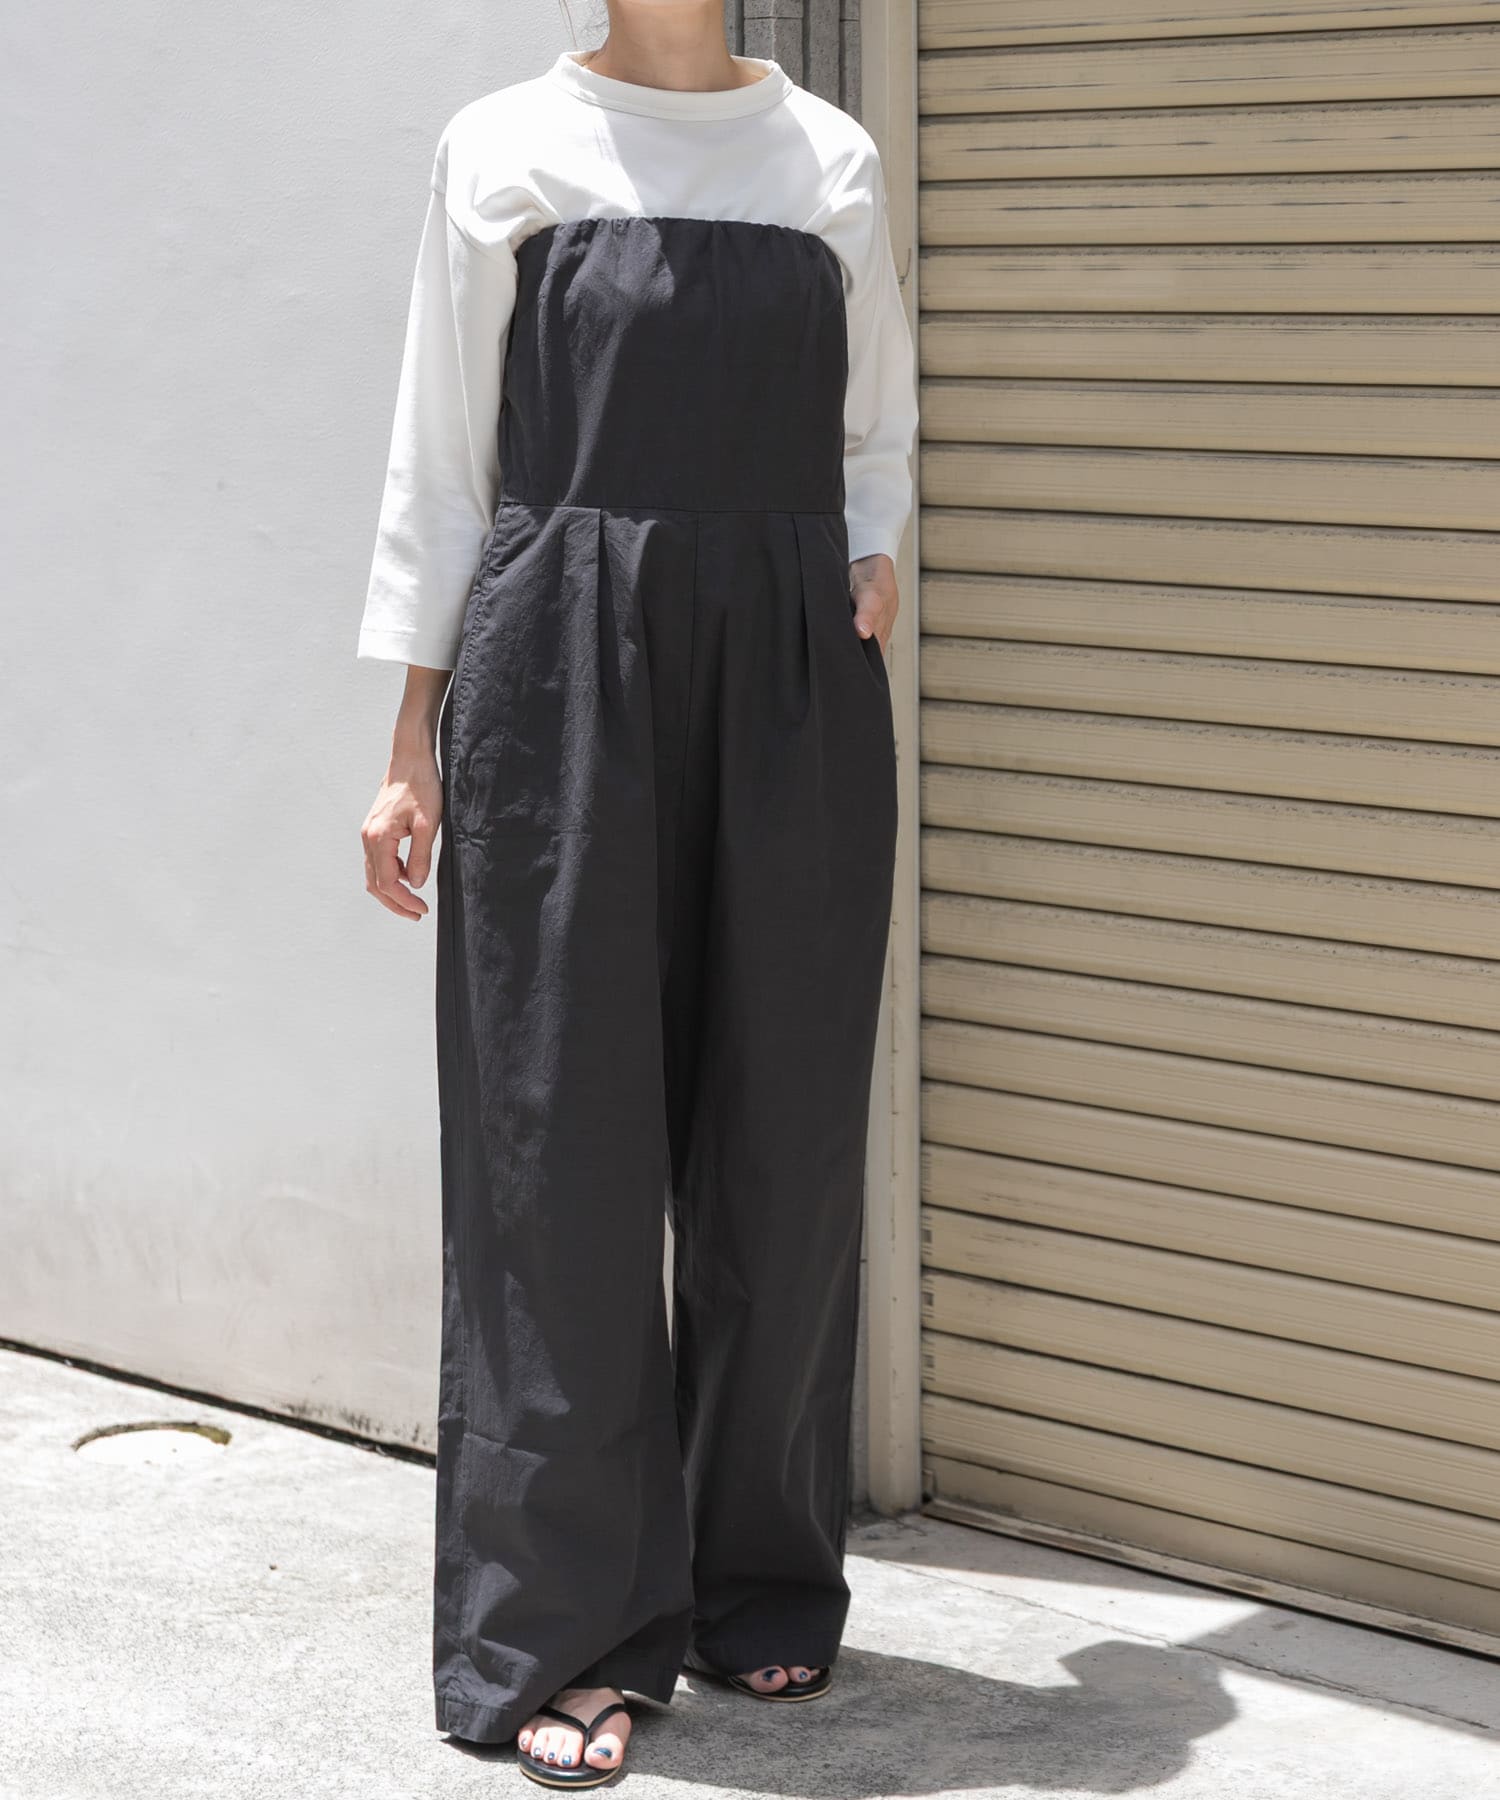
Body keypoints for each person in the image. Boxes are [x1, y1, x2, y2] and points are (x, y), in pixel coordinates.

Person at [357, 9, 918, 1787]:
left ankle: (759, 1578)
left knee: (785, 1141)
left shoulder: (829, 158)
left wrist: (871, 547)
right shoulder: (503, 147)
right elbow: (444, 457)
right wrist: (412, 736)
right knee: (560, 1152)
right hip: (560, 658)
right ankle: (559, 1627)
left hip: (788, 667)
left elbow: (875, 420)